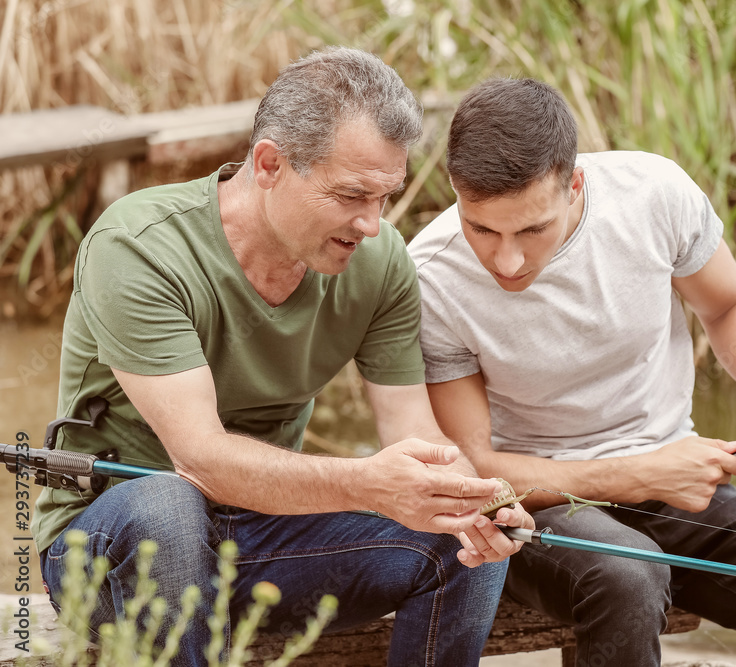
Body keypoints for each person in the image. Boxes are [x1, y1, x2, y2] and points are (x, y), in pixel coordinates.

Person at [32, 48, 532, 666]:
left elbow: (416, 434)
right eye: (351, 195)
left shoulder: (379, 263)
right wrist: (367, 484)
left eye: (386, 197)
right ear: (269, 164)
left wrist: (475, 498)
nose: (373, 224)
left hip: (263, 540)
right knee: (167, 506)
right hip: (111, 550)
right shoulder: (136, 248)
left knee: (457, 537)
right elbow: (202, 460)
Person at [407, 77, 736, 666]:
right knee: (629, 575)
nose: (507, 260)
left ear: (574, 184)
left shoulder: (653, 193)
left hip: (679, 491)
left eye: (532, 229)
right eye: (482, 229)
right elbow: (478, 473)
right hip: (534, 513)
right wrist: (642, 474)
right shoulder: (431, 276)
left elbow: (730, 305)